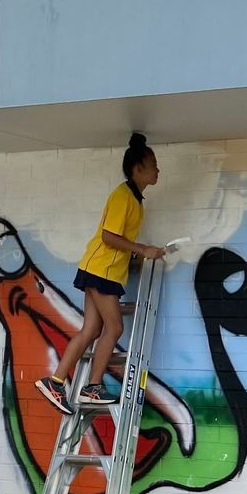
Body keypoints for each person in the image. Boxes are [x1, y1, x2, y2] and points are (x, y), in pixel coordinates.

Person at [37, 133, 165, 414]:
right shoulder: (123, 195)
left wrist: (135, 253)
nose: (158, 170)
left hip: (103, 269)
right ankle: (91, 387)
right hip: (101, 270)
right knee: (115, 327)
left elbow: (116, 238)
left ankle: (56, 381)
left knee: (92, 329)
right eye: (153, 164)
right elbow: (109, 236)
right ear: (138, 168)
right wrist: (142, 249)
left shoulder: (135, 199)